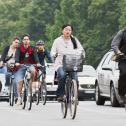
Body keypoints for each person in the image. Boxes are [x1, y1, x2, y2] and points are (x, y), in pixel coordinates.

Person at [51, 24, 85, 101]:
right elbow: (52, 51)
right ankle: (60, 94)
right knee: (62, 75)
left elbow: (81, 50)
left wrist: (82, 55)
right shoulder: (57, 40)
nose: (68, 31)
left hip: (72, 63)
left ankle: (75, 96)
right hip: (60, 62)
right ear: (62, 30)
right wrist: (54, 54)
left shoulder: (74, 40)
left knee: (75, 79)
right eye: (66, 29)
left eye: (69, 30)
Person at [14, 34, 41, 105]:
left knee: (33, 71)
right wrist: (17, 62)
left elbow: (35, 56)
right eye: (24, 39)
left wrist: (37, 63)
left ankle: (31, 84)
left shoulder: (32, 48)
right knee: (20, 81)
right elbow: (17, 56)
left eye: (27, 39)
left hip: (30, 64)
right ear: (22, 41)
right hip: (21, 65)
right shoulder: (19, 48)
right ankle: (19, 98)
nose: (26, 41)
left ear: (29, 40)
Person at [0, 37, 20, 102]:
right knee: (7, 73)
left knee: (17, 82)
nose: (17, 44)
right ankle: (7, 85)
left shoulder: (19, 49)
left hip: (15, 65)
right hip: (7, 64)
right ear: (13, 41)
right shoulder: (7, 47)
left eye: (18, 43)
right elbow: (3, 55)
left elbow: (21, 57)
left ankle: (16, 98)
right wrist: (1, 61)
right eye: (16, 42)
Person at [111, 26, 126, 104]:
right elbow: (114, 44)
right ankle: (122, 94)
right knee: (123, 74)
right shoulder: (122, 33)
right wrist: (118, 52)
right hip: (123, 58)